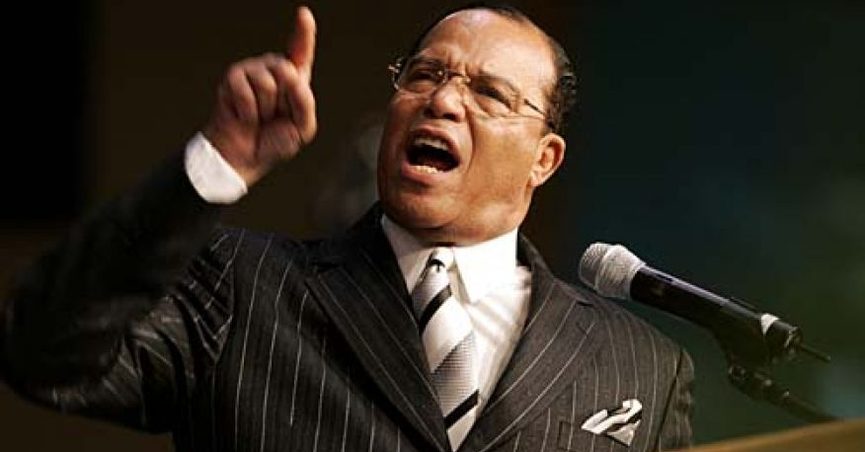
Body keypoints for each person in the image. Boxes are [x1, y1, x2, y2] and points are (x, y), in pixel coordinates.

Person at [0, 3, 693, 451]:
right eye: (424, 75)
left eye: (488, 93)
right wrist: (215, 163)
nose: (443, 100)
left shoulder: (643, 366)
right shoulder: (238, 286)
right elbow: (42, 352)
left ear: (544, 159)